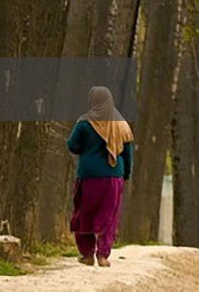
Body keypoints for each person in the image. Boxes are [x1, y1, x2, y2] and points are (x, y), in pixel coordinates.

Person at [66, 86, 134, 267]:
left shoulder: (84, 123)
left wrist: (87, 147)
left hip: (88, 176)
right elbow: (127, 153)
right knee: (109, 215)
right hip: (113, 177)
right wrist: (125, 174)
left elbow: (72, 146)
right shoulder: (121, 124)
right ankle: (103, 255)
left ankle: (87, 254)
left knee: (84, 214)